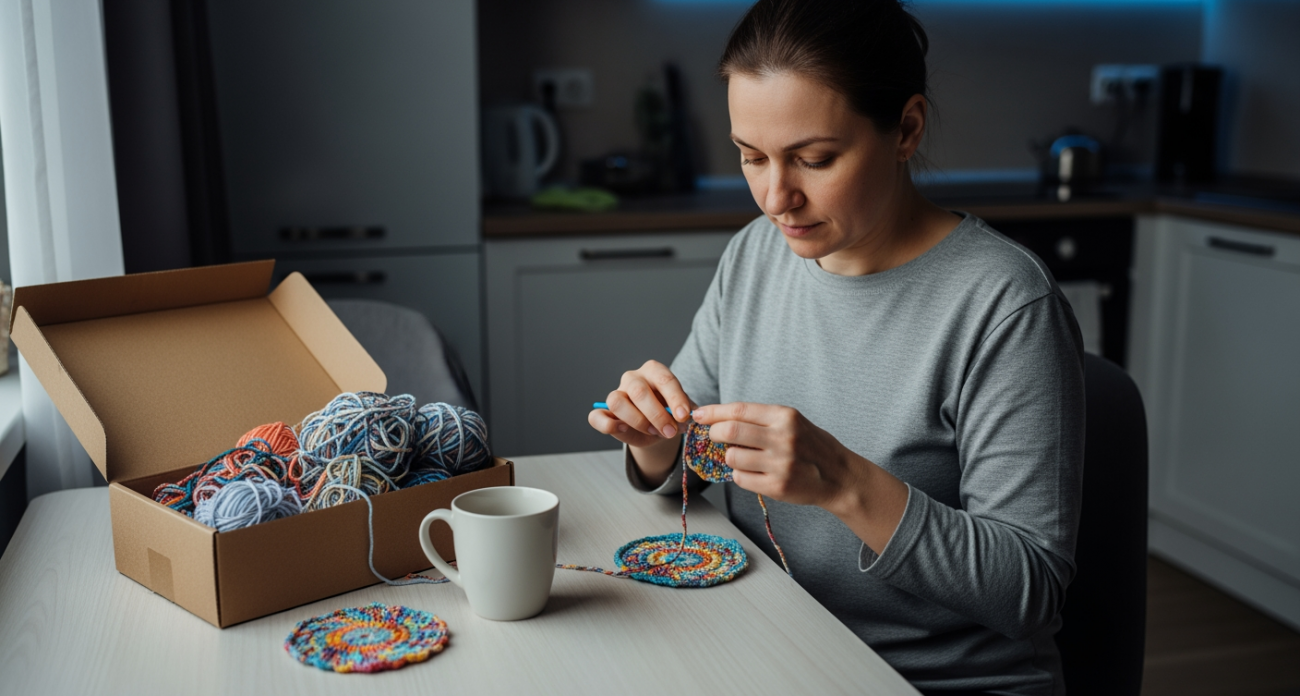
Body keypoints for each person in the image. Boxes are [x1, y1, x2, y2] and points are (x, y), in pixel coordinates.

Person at [588, 1, 1084, 694]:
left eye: (813, 159)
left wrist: (846, 484)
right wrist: (652, 438)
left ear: (906, 128)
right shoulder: (755, 256)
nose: (774, 197)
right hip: (770, 644)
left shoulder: (1004, 304)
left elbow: (1028, 591)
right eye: (750, 157)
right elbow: (691, 468)